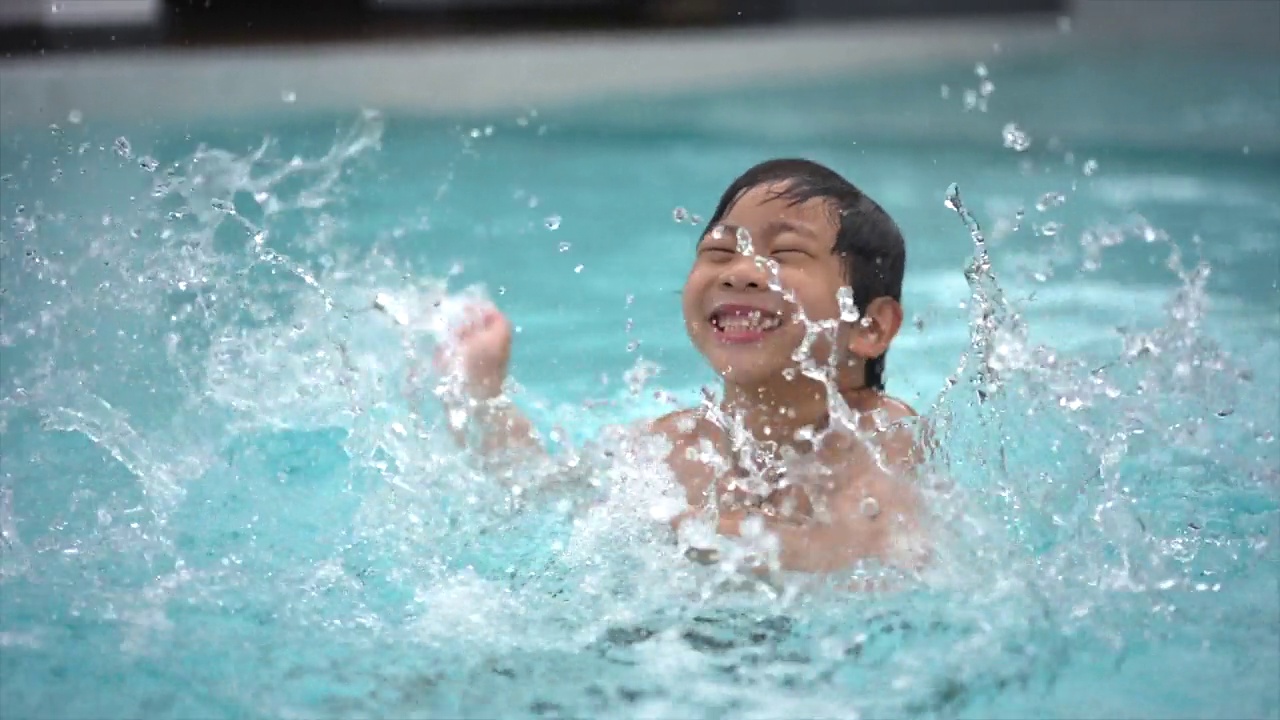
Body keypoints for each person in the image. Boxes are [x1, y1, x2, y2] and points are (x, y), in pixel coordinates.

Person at [426, 158, 930, 576]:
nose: (740, 272)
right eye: (719, 250)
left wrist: (677, 525)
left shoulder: (882, 440)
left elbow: (859, 553)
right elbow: (534, 488)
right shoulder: (677, 444)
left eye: (785, 253)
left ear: (871, 327)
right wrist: (482, 393)